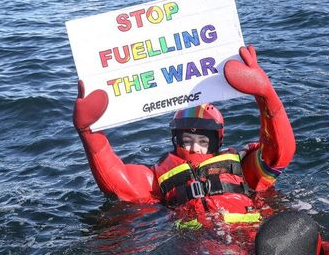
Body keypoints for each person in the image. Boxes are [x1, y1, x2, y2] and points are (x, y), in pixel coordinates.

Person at [72, 45, 295, 230]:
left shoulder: (242, 167)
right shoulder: (158, 177)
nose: (194, 148)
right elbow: (119, 183)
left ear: (217, 142)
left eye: (203, 142)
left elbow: (280, 152)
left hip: (250, 236)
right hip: (197, 244)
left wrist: (266, 95)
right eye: (186, 140)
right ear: (175, 140)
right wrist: (89, 132)